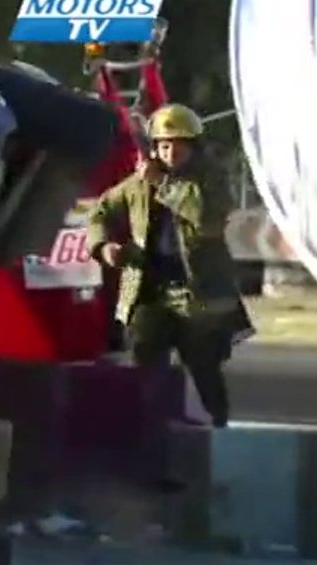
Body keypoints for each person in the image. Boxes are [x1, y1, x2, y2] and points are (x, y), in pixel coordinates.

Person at [87, 103, 252, 429]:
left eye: (178, 145)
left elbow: (207, 219)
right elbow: (101, 210)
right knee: (146, 369)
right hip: (148, 289)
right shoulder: (139, 183)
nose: (170, 152)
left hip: (198, 295)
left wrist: (163, 185)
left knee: (205, 370)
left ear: (193, 146)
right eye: (163, 145)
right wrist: (104, 247)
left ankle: (216, 434)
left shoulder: (210, 180)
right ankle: (152, 439)